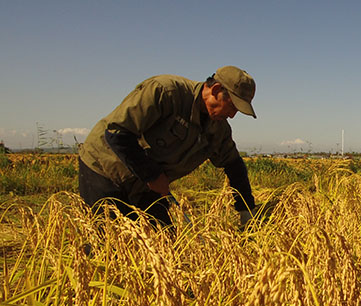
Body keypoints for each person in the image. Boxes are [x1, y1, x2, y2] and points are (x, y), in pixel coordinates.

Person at [78, 66, 257, 227]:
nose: (232, 116)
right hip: (105, 168)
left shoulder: (218, 128)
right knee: (107, 242)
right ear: (216, 90)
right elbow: (118, 133)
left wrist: (245, 210)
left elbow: (234, 165)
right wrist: (152, 175)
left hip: (147, 186)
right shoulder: (166, 92)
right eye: (232, 107)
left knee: (164, 242)